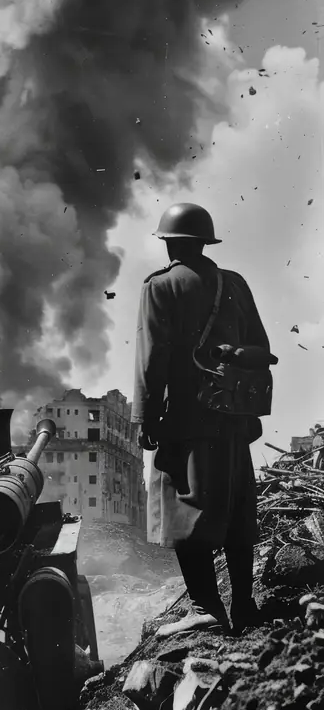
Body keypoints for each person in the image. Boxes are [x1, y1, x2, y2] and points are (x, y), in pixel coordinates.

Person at [132, 202, 271, 636]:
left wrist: (146, 416)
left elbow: (151, 358)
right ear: (206, 242)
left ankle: (205, 607)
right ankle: (245, 606)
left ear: (169, 243)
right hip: (233, 421)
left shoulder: (160, 286)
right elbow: (262, 348)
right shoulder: (235, 284)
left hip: (187, 422)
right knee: (236, 511)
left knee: (184, 511)